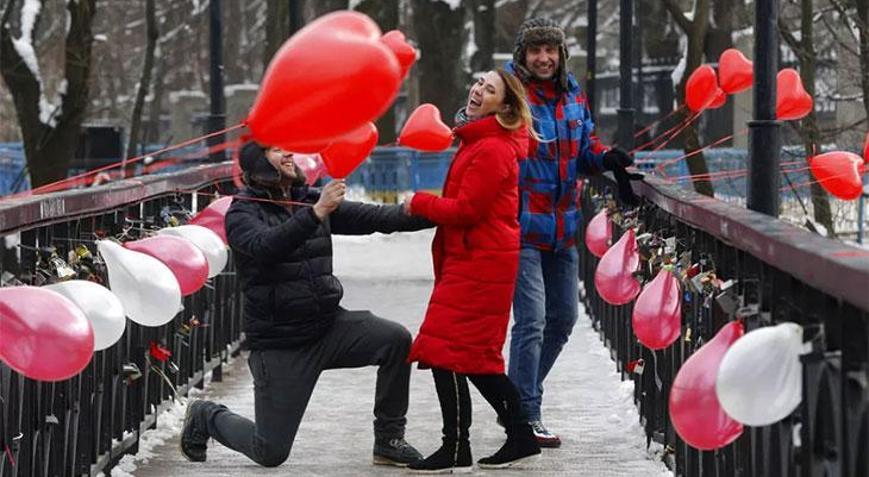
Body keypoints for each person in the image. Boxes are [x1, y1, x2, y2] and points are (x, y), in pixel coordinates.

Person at [179, 141, 433, 468]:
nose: (288, 154)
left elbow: (377, 217)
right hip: (281, 343)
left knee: (395, 339)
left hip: (329, 327)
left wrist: (443, 212)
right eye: (275, 150)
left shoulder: (308, 199)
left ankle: (389, 440)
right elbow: (267, 247)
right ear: (258, 162)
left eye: (287, 148)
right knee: (269, 451)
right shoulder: (242, 212)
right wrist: (315, 214)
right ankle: (207, 415)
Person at [505, 17, 641, 448]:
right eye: (534, 51)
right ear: (523, 55)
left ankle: (514, 397)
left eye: (550, 50)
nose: (543, 58)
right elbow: (467, 123)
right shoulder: (509, 92)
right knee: (531, 321)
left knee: (563, 318)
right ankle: (525, 413)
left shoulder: (572, 92)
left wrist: (608, 159)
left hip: (563, 229)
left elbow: (583, 151)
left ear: (561, 54)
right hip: (521, 226)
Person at [404, 69, 541, 472]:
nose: (479, 90)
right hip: (473, 260)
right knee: (465, 354)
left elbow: (467, 210)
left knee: (448, 352)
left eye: (491, 89)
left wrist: (420, 203)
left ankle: (459, 446)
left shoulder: (493, 149)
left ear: (506, 106)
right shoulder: (478, 142)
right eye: (479, 82)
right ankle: (518, 434)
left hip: (481, 263)